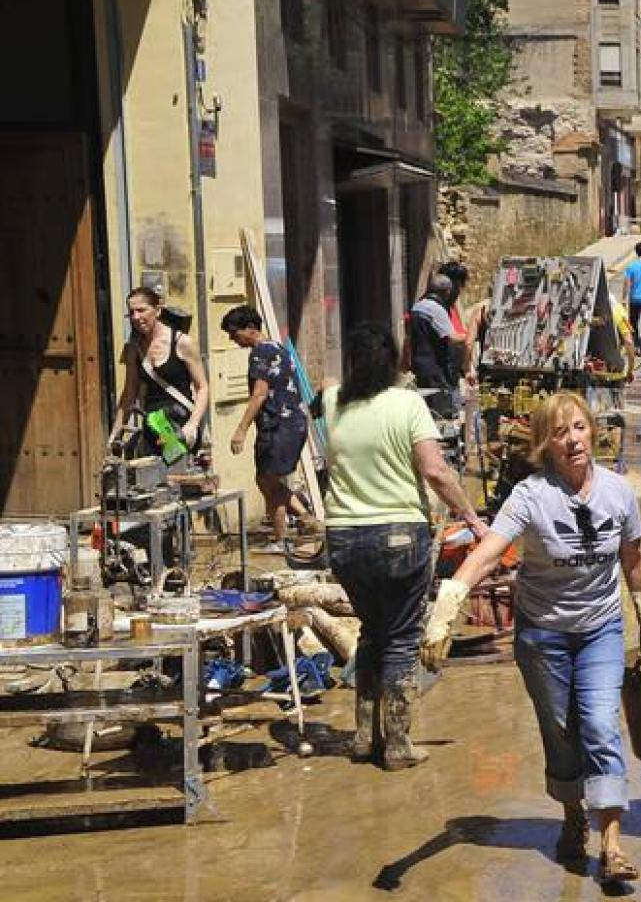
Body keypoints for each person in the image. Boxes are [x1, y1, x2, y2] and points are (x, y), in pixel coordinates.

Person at [421, 392, 641, 882]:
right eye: (559, 433)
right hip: (542, 634)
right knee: (561, 731)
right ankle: (573, 818)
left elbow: (634, 560)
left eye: (579, 428)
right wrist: (449, 601)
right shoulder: (530, 495)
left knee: (599, 723)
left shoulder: (618, 492)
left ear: (593, 431)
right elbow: (488, 552)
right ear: (545, 445)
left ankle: (612, 844)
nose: (572, 440)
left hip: (600, 628)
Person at [320, 322, 486, 771]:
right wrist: (471, 518)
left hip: (344, 539)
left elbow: (328, 390)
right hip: (398, 535)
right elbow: (434, 470)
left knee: (372, 632)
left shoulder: (333, 403)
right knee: (401, 639)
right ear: (394, 361)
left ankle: (361, 737)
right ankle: (397, 744)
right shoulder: (408, 403)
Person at [220, 305, 312, 548]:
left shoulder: (260, 352)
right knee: (267, 480)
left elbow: (259, 395)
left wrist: (241, 429)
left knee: (270, 481)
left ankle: (282, 538)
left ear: (250, 328)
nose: (232, 338)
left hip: (278, 425)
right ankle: (305, 518)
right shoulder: (278, 347)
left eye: (234, 332)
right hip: (293, 424)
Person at [112, 287, 210, 462]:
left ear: (157, 310)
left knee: (178, 478)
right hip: (153, 426)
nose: (136, 317)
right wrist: (116, 434)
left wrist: (192, 425)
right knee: (151, 483)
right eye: (131, 312)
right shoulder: (133, 349)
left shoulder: (182, 343)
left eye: (141, 310)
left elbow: (202, 387)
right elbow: (129, 394)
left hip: (179, 426)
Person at [407, 274, 458, 416]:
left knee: (426, 409)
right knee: (441, 412)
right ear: (447, 291)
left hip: (420, 366)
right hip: (435, 369)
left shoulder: (418, 306)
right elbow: (453, 338)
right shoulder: (436, 309)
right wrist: (471, 335)